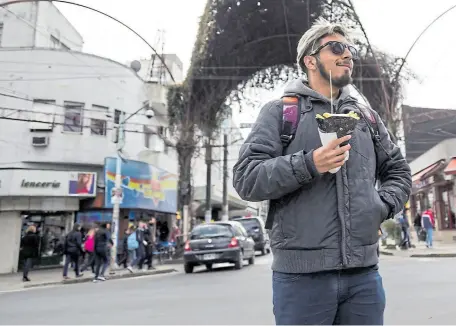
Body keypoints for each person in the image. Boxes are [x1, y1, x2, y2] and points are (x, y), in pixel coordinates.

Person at [233, 18, 412, 325]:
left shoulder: (366, 117)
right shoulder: (281, 113)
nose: (348, 56)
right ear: (310, 60)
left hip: (363, 276)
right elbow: (247, 178)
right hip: (301, 279)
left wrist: (380, 206)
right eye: (337, 47)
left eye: (351, 50)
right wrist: (309, 164)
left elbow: (398, 171)